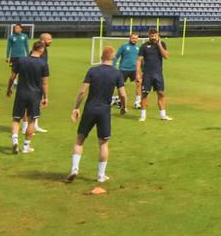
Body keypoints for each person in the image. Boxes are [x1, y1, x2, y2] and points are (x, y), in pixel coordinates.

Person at [66, 45, 124, 183]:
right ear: (113, 58)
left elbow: (82, 92)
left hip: (90, 109)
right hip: (104, 111)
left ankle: (74, 168)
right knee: (103, 144)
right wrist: (123, 106)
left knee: (80, 139)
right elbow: (122, 94)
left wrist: (76, 107)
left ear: (101, 57)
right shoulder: (117, 73)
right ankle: (101, 175)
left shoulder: (92, 71)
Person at [7, 38, 49, 155]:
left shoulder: (21, 60)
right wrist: (46, 97)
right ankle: (26, 146)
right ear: (41, 49)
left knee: (16, 118)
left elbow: (12, 77)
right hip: (35, 95)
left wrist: (9, 89)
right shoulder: (43, 63)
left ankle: (15, 140)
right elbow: (45, 82)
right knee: (32, 120)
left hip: (21, 93)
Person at [136, 29, 172, 123]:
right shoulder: (144, 46)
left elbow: (166, 56)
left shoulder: (162, 44)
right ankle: (143, 115)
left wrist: (159, 44)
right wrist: (137, 73)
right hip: (147, 74)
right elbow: (139, 60)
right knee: (144, 94)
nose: (153, 37)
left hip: (158, 74)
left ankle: (163, 115)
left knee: (161, 94)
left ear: (158, 36)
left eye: (155, 36)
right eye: (152, 36)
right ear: (149, 36)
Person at [113, 31, 141, 113]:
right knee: (120, 86)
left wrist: (141, 70)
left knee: (139, 83)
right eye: (133, 38)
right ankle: (119, 100)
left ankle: (137, 102)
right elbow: (116, 56)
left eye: (136, 38)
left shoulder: (138, 48)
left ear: (137, 39)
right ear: (130, 38)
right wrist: (114, 67)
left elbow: (140, 60)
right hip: (123, 69)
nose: (134, 40)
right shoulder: (124, 46)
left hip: (134, 70)